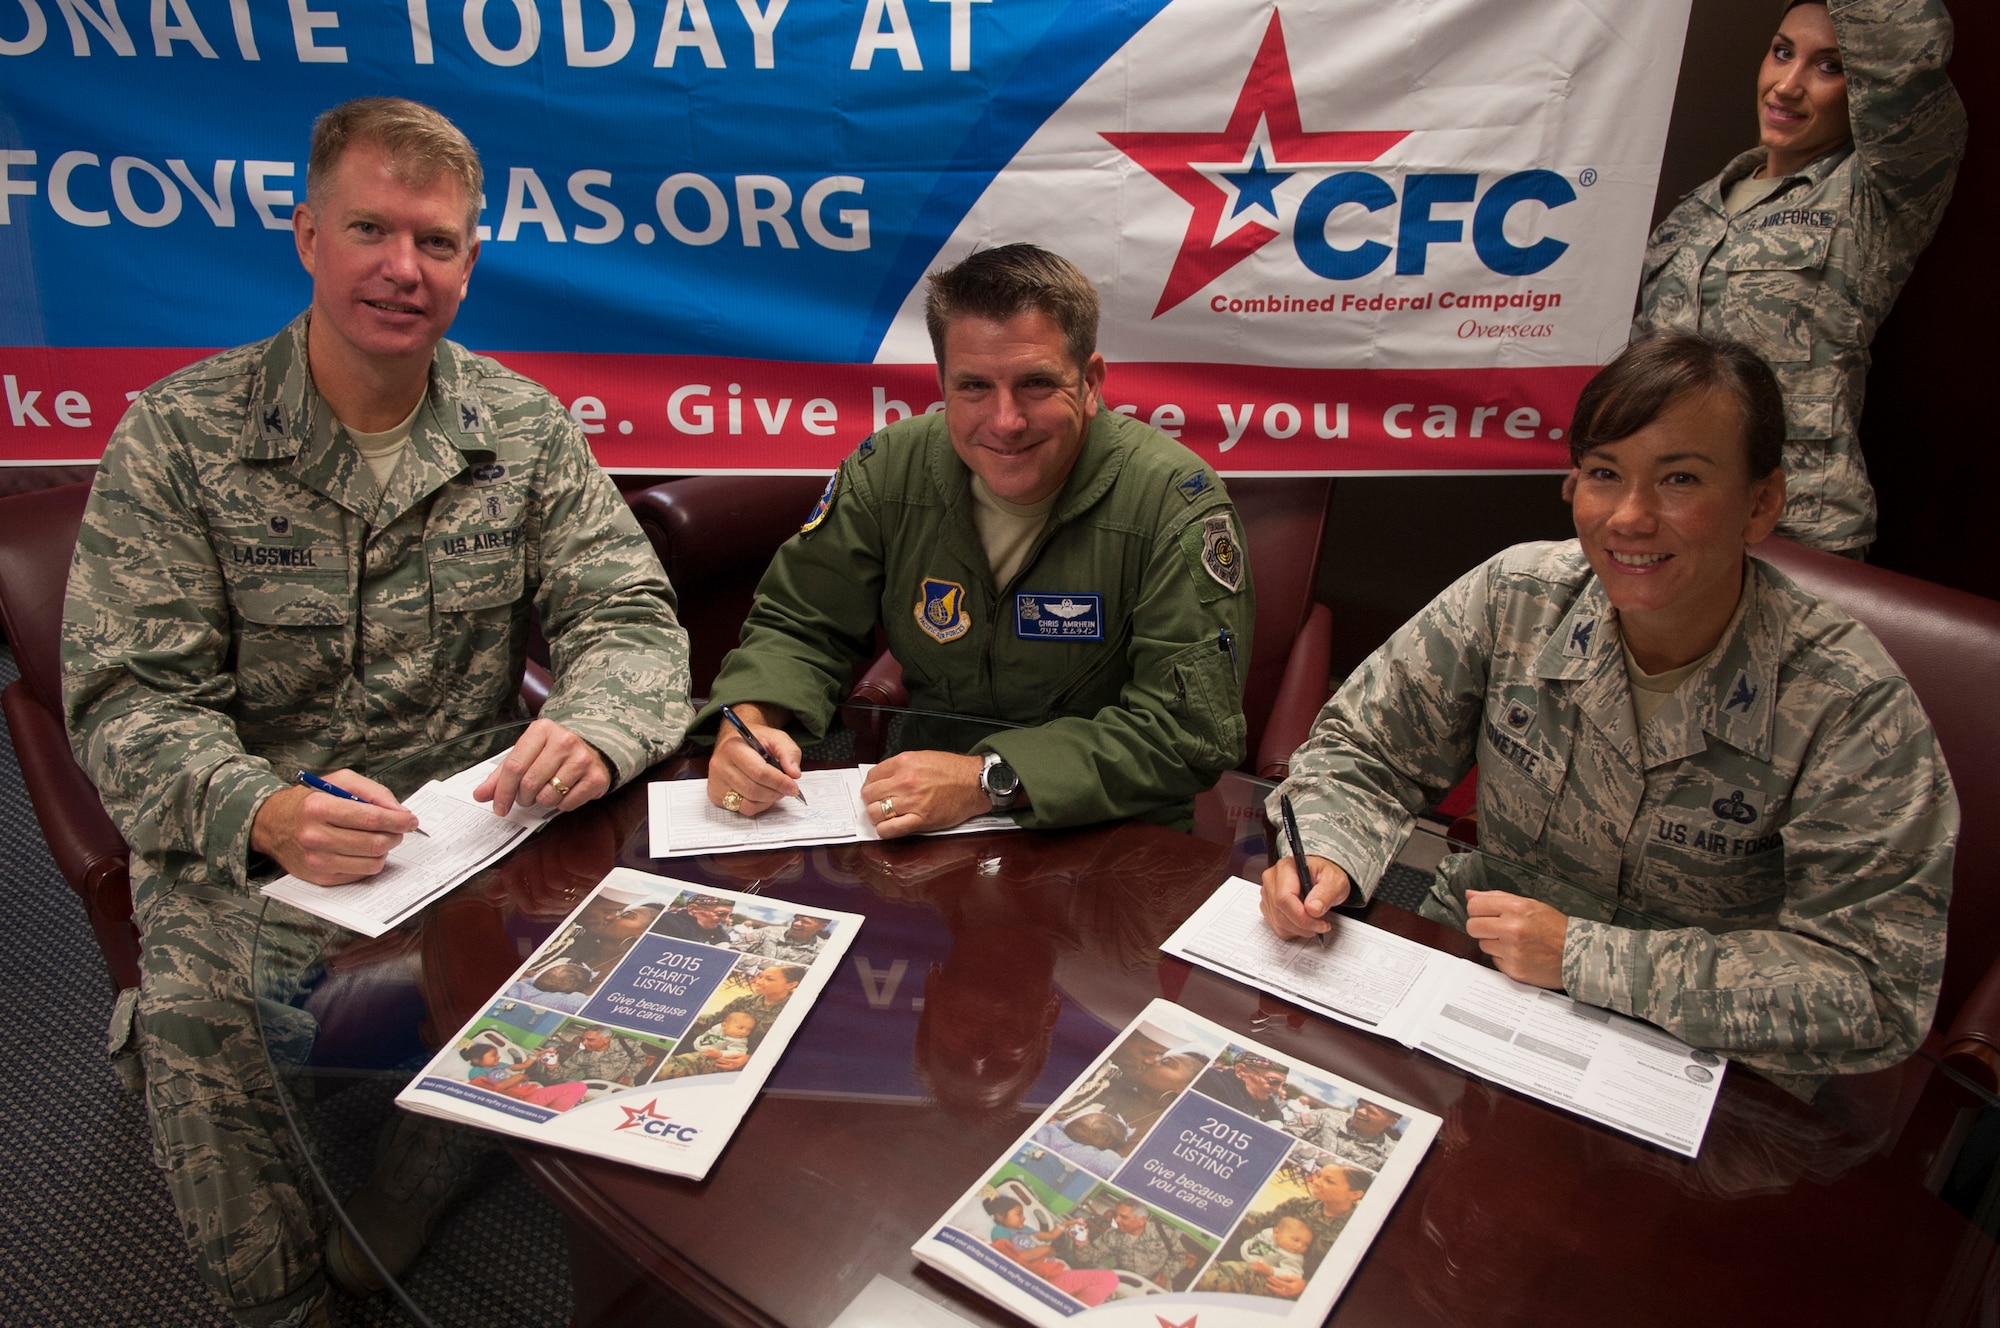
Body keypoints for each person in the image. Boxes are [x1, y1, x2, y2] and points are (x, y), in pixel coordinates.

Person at [59, 97, 693, 1327]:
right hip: (252, 833)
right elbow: (127, 696)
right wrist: (265, 808)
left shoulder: (519, 428)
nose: (404, 269)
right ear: (307, 235)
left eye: (438, 242)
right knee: (190, 1013)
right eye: (371, 229)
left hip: (462, 820)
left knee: (650, 908)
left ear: (469, 261)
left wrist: (594, 726)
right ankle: (286, 1301)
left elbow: (630, 619)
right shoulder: (183, 436)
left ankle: (434, 1154)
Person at [1261, 333, 1956, 1100]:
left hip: (1694, 1072)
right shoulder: (1516, 596)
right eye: (1603, 475)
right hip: (1469, 993)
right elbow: (1361, 751)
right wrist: (1325, 853)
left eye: (1680, 479)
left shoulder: (1849, 704)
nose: (1629, 516)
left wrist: (1586, 960)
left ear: (1762, 503)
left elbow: (1872, 988)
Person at [700, 243, 1253, 836]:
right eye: (973, 388)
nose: (1006, 420)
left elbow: (1186, 733)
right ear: (941, 384)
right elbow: (800, 623)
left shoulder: (1174, 502)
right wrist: (749, 720)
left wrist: (986, 779)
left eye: (1037, 384)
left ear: (1090, 383)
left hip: (1110, 833)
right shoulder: (888, 470)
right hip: (918, 823)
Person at [1633, 0, 1965, 556]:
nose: (1786, 85)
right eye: (1782, 53)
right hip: (1667, 519)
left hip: (1795, 528)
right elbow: (1644, 363)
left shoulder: (1876, 193)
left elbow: (1905, 51)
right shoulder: (1696, 210)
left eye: (1829, 67)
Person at [1199, 1162, 1371, 1299]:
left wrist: (1305, 1286)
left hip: (1288, 1281)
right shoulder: (1300, 1205)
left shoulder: (1360, 1232)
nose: (1315, 1181)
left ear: (1354, 1195)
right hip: (1263, 1257)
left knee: (1210, 1278)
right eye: (1319, 1176)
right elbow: (1263, 1222)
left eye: (1329, 1181)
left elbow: (1347, 1279)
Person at [1283, 1098, 1401, 1173]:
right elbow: (1284, 1135)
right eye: (1360, 1106)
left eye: (1371, 1111)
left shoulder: (1390, 1153)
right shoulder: (1323, 1116)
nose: (1360, 1111)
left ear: (1392, 1121)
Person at [1086, 1200, 1184, 1288]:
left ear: (1141, 1221)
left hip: (1154, 1289)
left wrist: (1165, 1275)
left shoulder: (1163, 1231)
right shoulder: (1112, 1235)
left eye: (1124, 1217)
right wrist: (1081, 1243)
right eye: (1116, 1215)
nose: (1117, 1220)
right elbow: (1091, 1258)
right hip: (1122, 1285)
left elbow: (1180, 1256)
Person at [1194, 1052, 1290, 1124]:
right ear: (1241, 1071)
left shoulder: (1263, 1103)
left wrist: (1268, 1104)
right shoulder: (1211, 1081)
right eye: (1274, 1081)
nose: (1279, 1090)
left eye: (1283, 1085)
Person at [1239, 1215, 1316, 1284]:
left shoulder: (1293, 1257)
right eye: (1295, 1240)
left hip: (1254, 1267)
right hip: (1243, 1249)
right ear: (1276, 1233)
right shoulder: (1269, 1233)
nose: (1300, 1246)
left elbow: (1294, 1274)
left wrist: (1272, 1271)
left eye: (1306, 1244)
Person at [735, 913, 832, 964]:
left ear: (822, 926)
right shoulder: (767, 932)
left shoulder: (822, 950)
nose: (796, 923)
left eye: (805, 922)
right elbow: (734, 950)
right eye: (796, 919)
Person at [654, 894, 737, 946]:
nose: (726, 920)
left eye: (730, 915)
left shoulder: (719, 933)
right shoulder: (667, 922)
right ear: (693, 909)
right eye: (721, 914)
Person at [692, 1010, 760, 1063]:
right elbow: (708, 1034)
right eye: (740, 1028)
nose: (744, 1032)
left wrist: (720, 1054)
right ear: (724, 1026)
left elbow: (738, 1052)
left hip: (710, 1055)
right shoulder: (718, 1028)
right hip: (697, 1043)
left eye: (749, 1029)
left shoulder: (739, 1040)